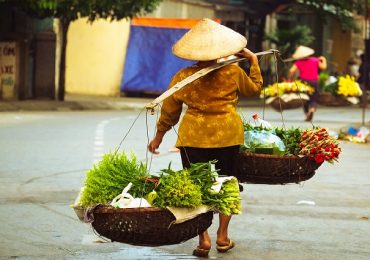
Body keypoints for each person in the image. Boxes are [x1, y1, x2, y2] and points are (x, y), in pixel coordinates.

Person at [147, 18, 263, 257]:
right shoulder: (233, 71)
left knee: (198, 188)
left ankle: (204, 239)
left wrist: (158, 137)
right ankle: (223, 236)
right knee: (227, 184)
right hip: (228, 135)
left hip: (194, 138)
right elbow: (254, 89)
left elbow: (169, 111)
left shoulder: (183, 77)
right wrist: (253, 61)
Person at [288, 45, 327, 121]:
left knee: (304, 98)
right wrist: (324, 59)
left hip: (304, 83)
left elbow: (291, 71)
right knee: (314, 98)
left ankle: (306, 114)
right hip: (314, 82)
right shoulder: (315, 60)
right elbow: (323, 67)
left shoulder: (298, 62)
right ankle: (312, 109)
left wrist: (290, 79)